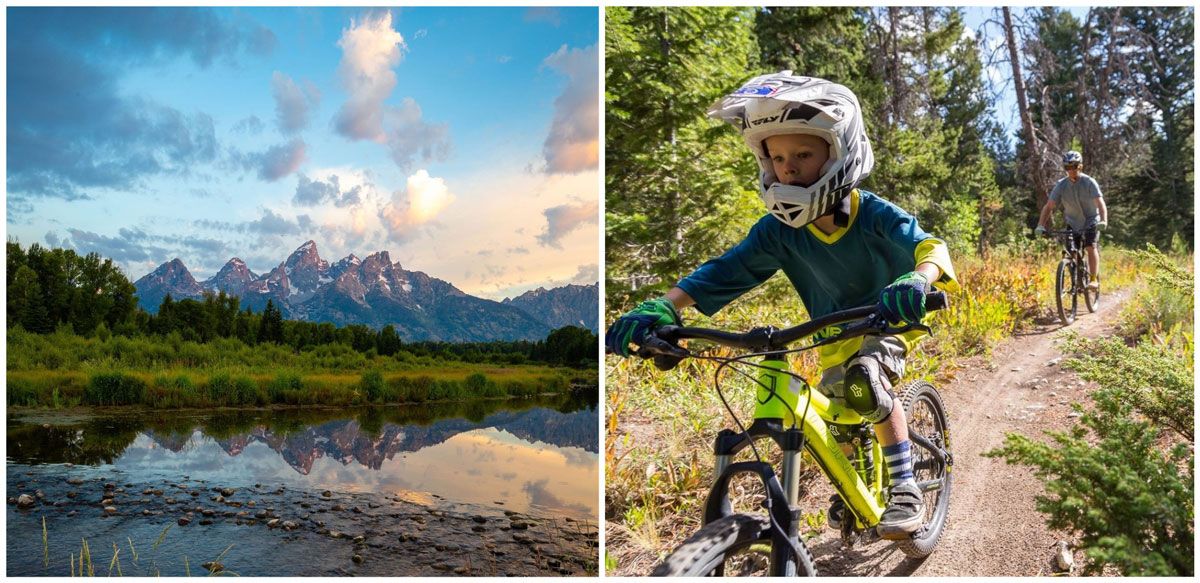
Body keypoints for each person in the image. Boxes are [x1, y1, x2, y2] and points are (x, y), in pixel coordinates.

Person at [606, 71, 960, 539]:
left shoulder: (872, 213)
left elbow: (930, 246)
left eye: (803, 154)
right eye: (776, 157)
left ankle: (905, 488)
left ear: (839, 153)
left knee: (866, 381)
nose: (787, 168)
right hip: (834, 331)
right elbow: (726, 269)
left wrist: (917, 279)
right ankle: (856, 483)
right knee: (837, 417)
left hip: (889, 317)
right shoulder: (778, 231)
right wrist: (666, 306)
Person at [1035, 151, 1108, 290]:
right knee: (1071, 251)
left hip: (1091, 220)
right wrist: (1040, 225)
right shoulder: (1061, 185)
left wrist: (1103, 220)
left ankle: (1093, 279)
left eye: (1074, 166)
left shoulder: (1089, 182)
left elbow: (1100, 203)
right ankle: (1076, 276)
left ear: (1080, 166)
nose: (1071, 170)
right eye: (1067, 167)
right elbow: (1049, 206)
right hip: (1073, 223)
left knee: (1090, 246)